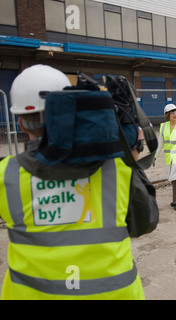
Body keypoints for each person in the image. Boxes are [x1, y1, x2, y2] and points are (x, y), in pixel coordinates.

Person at [0, 64, 158, 299]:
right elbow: (144, 223)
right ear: (73, 112)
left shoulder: (6, 174)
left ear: (21, 123)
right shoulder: (116, 167)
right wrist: (132, 161)